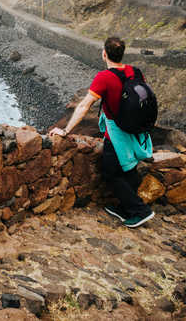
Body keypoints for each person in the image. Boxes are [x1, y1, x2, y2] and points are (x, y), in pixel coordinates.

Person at [49, 36, 155, 227]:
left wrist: (65, 130)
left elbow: (84, 106)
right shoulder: (135, 71)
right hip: (135, 131)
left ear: (104, 54)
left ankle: (140, 210)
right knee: (128, 167)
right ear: (122, 54)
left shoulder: (104, 77)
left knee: (110, 172)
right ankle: (125, 208)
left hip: (116, 134)